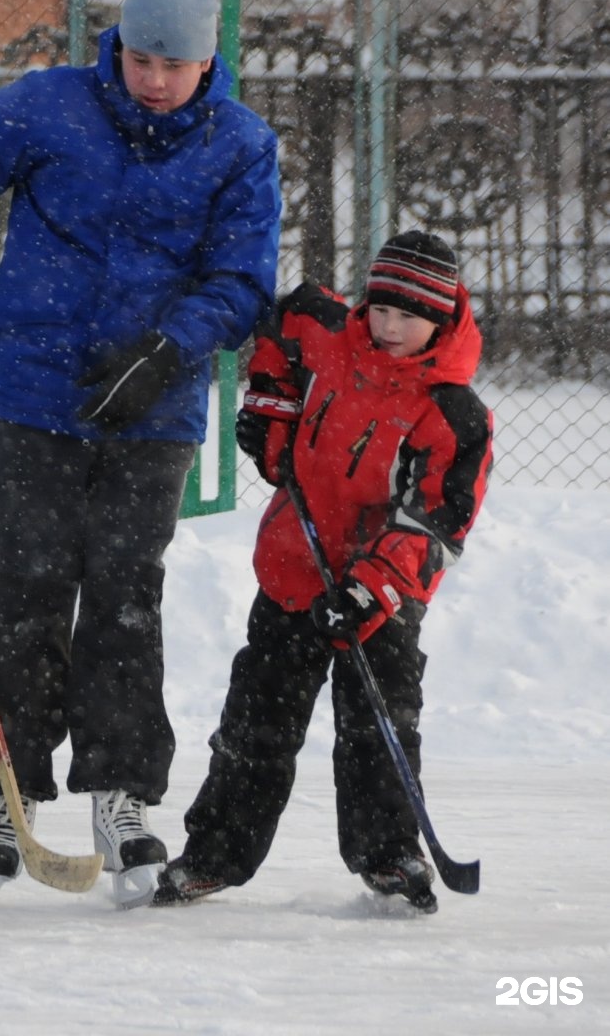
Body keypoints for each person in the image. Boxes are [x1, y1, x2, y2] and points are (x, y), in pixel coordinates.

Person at [0, 0, 281, 907]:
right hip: (33, 401)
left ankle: (119, 791)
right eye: (141, 57)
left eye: (175, 63)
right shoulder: (49, 107)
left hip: (152, 411)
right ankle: (6, 791)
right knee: (29, 588)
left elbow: (243, 280)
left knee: (126, 595)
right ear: (115, 45)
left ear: (209, 61)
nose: (154, 80)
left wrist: (168, 350)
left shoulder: (239, 146)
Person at [153, 230, 493, 914]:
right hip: (293, 563)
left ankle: (389, 854)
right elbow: (285, 323)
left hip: (380, 596)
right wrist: (271, 412)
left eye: (409, 316)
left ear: (441, 318)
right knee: (256, 723)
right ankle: (215, 853)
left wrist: (370, 586)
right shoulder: (329, 330)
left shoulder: (452, 413)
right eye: (381, 310)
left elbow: (433, 524)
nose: (390, 327)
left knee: (379, 725)